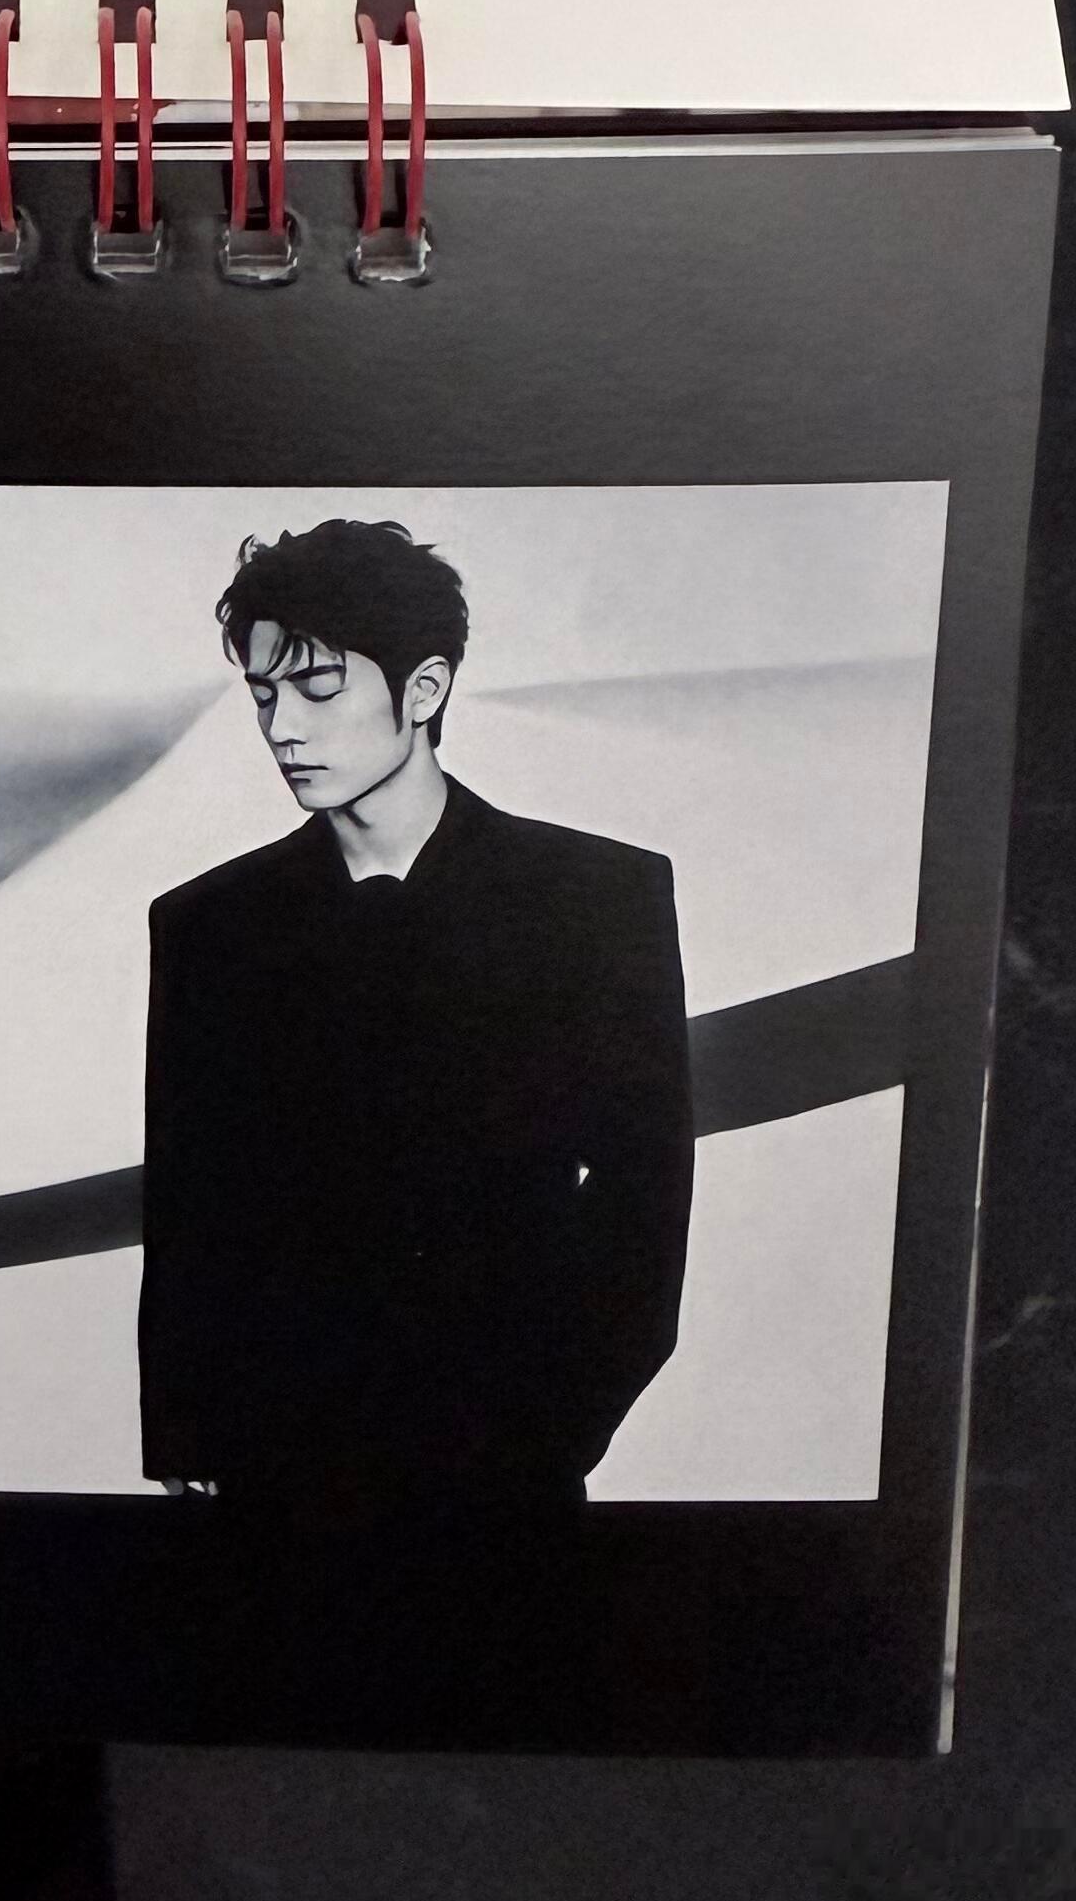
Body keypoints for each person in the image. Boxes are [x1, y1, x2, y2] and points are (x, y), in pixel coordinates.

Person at [137, 517, 692, 1699]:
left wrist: (555, 1423)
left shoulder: (598, 900)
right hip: (279, 1488)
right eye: (264, 695)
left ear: (425, 689)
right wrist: (189, 1429)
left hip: (504, 1482)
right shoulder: (209, 927)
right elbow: (190, 1199)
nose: (283, 728)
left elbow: (647, 1194)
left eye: (319, 689)